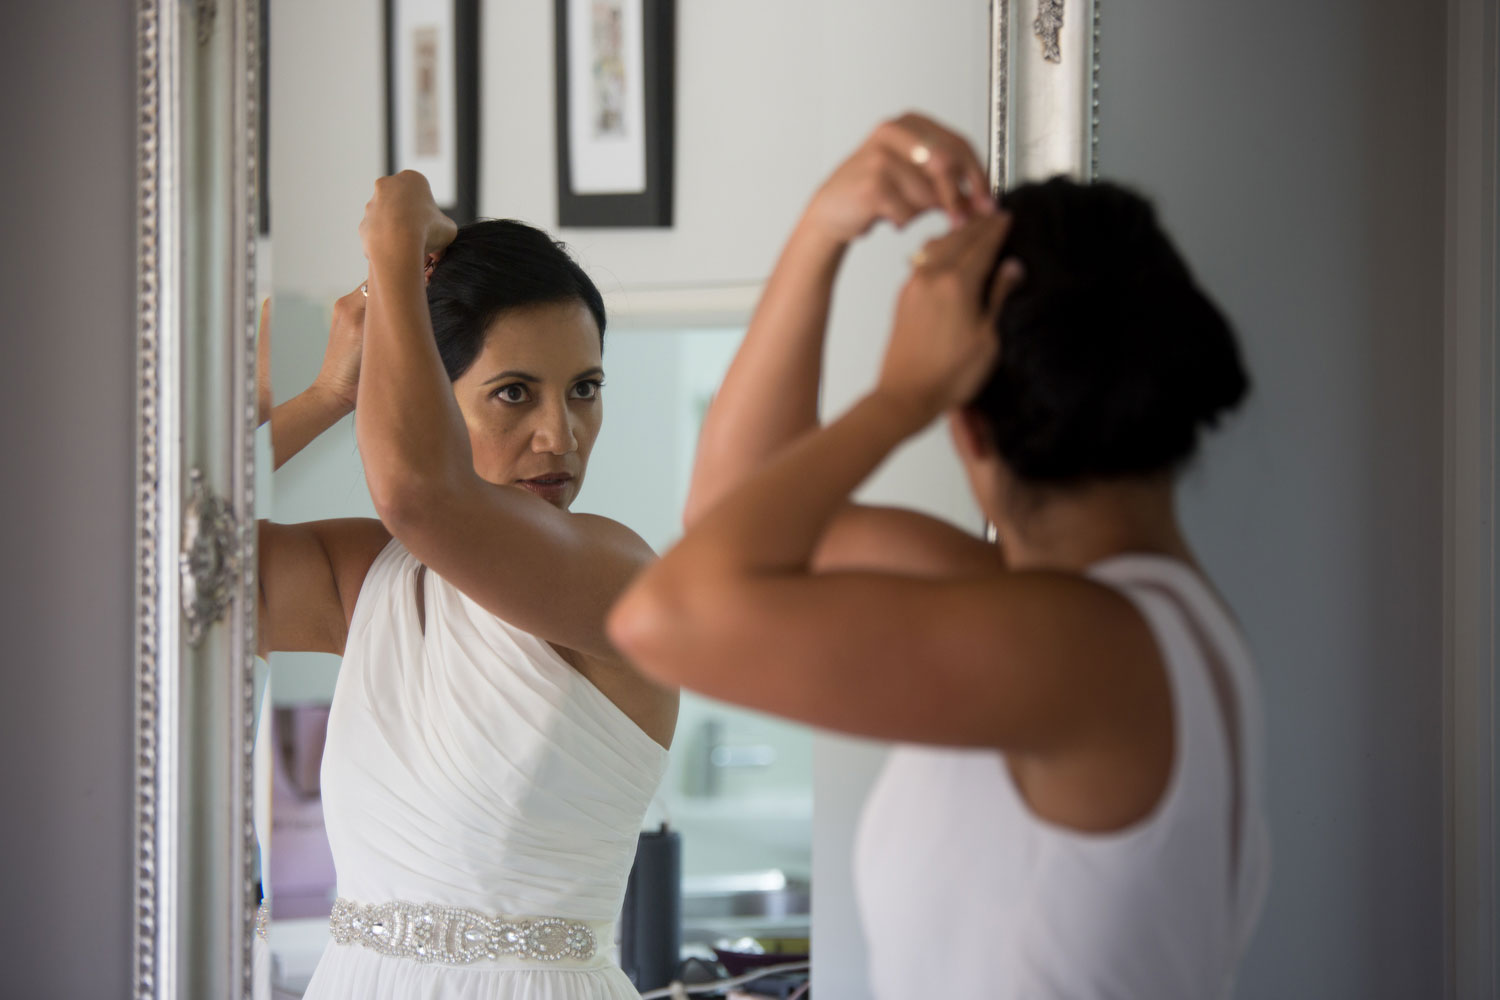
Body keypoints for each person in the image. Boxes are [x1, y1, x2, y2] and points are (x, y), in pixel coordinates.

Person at [607, 114, 1269, 998]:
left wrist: (902, 394)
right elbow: (732, 513)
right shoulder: (1091, 621)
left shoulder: (1087, 651)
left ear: (968, 422)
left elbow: (666, 615)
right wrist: (822, 232)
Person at [258, 173, 677, 998]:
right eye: (514, 392)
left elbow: (417, 492)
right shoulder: (372, 579)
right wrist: (330, 394)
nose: (561, 434)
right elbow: (148, 570)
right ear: (426, 400)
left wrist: (392, 242)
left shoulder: (617, 573)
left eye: (584, 389)